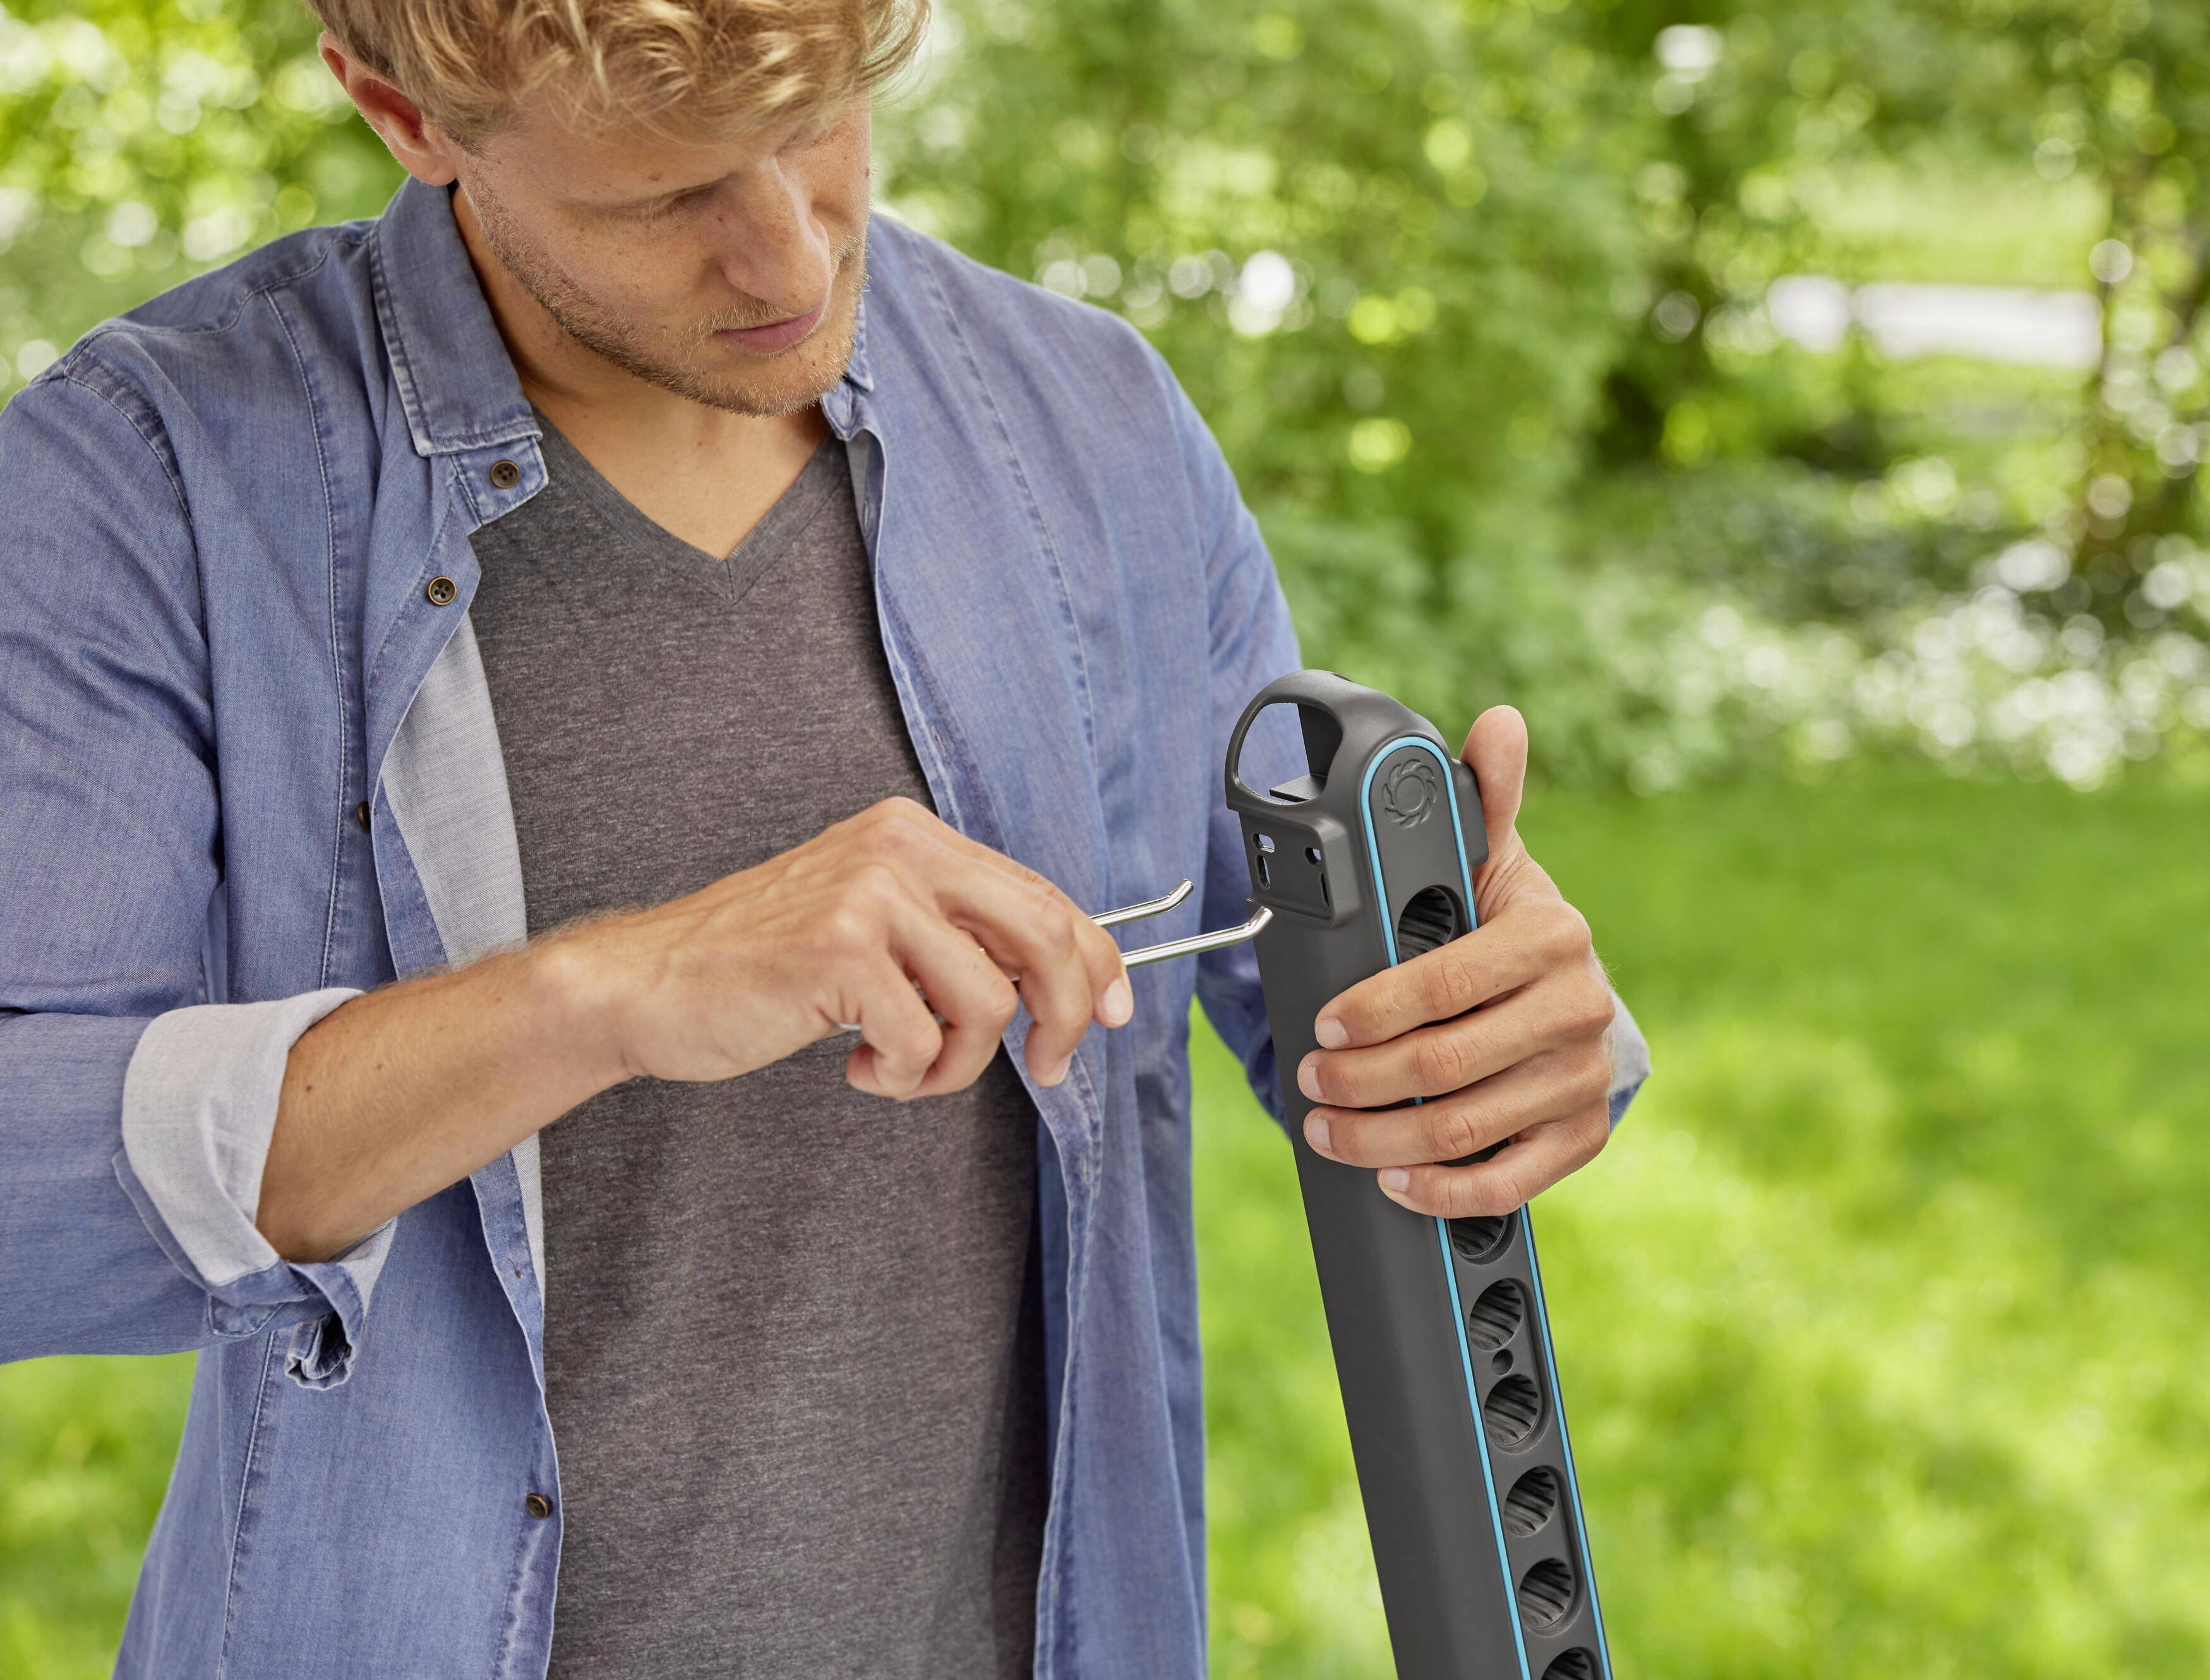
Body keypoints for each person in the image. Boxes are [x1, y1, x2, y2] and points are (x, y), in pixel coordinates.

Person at [0, 1, 1649, 1676]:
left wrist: (1501, 1034)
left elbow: (1328, 1008)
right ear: (399, 111)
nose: (784, 254)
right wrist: (605, 992)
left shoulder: (1093, 428)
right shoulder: (147, 474)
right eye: (657, 199)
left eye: (820, 123)